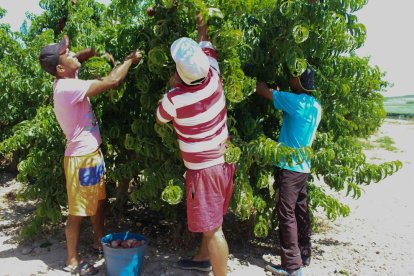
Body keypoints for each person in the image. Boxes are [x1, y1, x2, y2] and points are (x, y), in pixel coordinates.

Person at [39, 35, 141, 275]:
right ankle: (72, 261)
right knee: (77, 212)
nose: (74, 52)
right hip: (81, 159)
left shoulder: (65, 74)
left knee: (97, 201)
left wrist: (95, 51)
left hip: (91, 155)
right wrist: (128, 60)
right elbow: (113, 80)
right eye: (68, 53)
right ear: (60, 68)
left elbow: (79, 57)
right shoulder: (67, 87)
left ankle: (98, 241)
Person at [155, 11, 235, 276]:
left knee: (214, 230)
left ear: (179, 74)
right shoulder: (214, 76)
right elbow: (205, 43)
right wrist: (201, 26)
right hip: (224, 162)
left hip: (204, 171)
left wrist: (172, 86)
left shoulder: (174, 99)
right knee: (213, 219)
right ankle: (202, 258)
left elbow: (159, 118)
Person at [256, 66, 322, 276]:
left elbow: (260, 90)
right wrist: (280, 91)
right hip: (303, 168)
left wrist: (259, 80)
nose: (291, 79)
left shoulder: (295, 102)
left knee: (286, 214)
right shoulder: (315, 105)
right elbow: (289, 110)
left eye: (294, 77)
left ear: (299, 83)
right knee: (301, 211)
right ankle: (304, 253)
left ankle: (292, 267)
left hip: (289, 167)